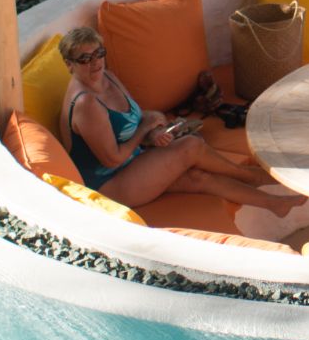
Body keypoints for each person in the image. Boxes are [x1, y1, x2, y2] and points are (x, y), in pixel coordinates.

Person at [59, 24, 276, 211]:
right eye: (84, 59)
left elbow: (135, 118)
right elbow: (112, 159)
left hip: (132, 162)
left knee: (198, 177)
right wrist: (145, 130)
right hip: (108, 185)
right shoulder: (86, 104)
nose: (95, 62)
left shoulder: (107, 76)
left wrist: (154, 131)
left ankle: (275, 205)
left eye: (98, 54)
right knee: (191, 145)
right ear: (69, 64)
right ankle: (250, 176)